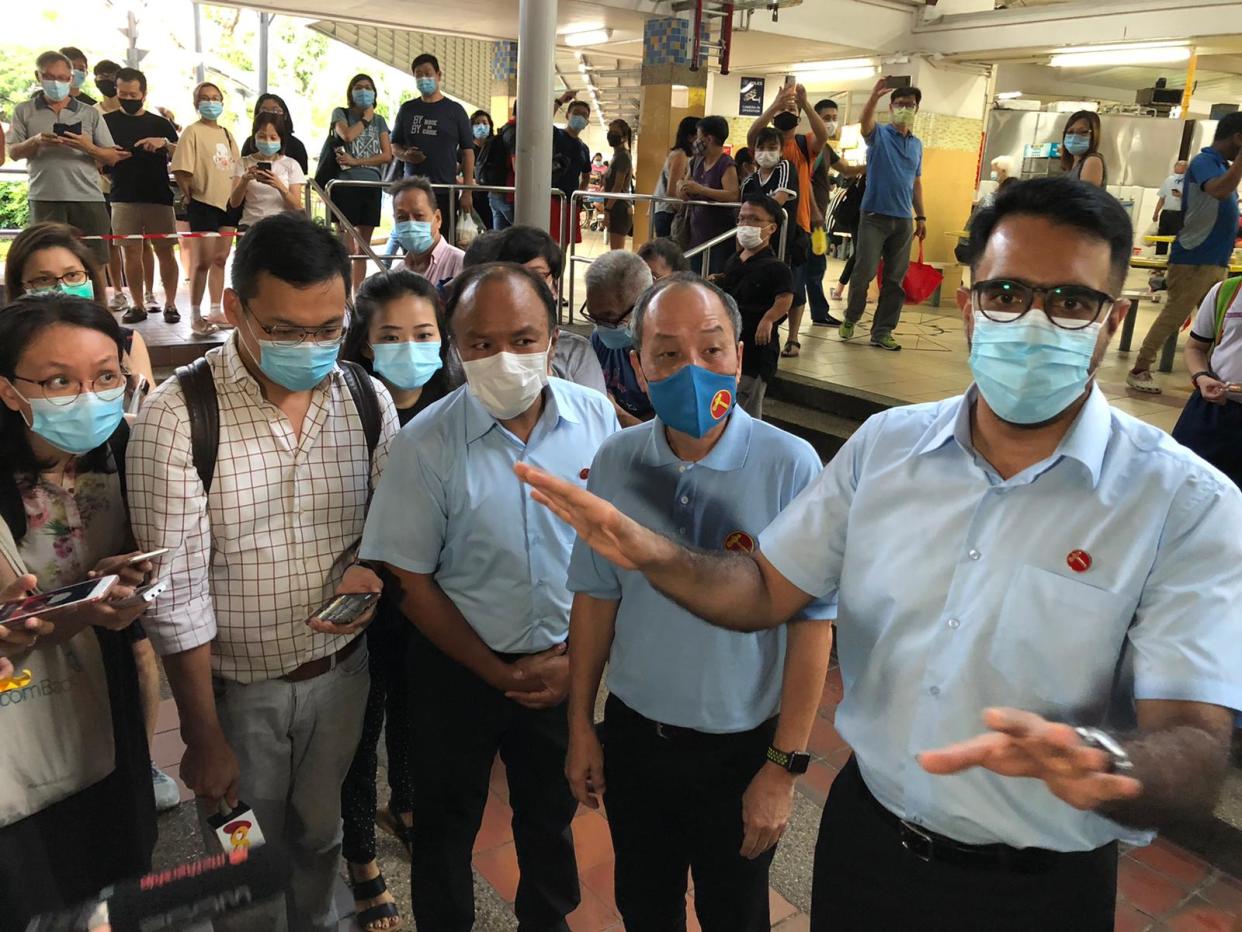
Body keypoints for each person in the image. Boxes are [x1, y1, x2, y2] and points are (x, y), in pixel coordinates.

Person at [518, 177, 1242, 931]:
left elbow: (1194, 736)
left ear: (1111, 320)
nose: (1033, 322)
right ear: (968, 307)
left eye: (1070, 302)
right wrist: (653, 554)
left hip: (1039, 883)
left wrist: (1116, 766)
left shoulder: (1186, 503)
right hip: (870, 846)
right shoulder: (886, 451)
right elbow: (766, 589)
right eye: (1007, 294)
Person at [126, 214, 399, 932]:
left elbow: (391, 531)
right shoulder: (179, 417)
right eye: (284, 329)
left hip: (341, 679)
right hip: (237, 696)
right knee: (241, 854)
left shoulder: (365, 402)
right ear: (235, 308)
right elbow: (175, 596)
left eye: (328, 328)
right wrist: (203, 734)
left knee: (318, 835)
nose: (310, 347)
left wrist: (373, 570)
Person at [564, 273, 833, 930]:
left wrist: (782, 770)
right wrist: (580, 726)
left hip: (739, 751)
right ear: (638, 366)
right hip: (635, 738)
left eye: (712, 349)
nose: (693, 370)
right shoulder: (617, 462)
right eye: (668, 353)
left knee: (733, 912)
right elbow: (595, 602)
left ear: (738, 353)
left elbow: (811, 626)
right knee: (644, 904)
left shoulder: (790, 465)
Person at [359, 262, 618, 931]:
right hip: (457, 670)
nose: (505, 359)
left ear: (554, 337)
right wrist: (496, 671)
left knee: (550, 816)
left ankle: (547, 921)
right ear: (455, 346)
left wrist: (575, 661)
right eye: (480, 343)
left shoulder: (596, 421)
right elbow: (410, 581)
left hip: (566, 665)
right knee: (445, 822)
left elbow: (616, 554)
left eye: (525, 339)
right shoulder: (425, 444)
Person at [0, 295, 158, 932]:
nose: (87, 397)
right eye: (59, 380)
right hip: (15, 711)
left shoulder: (124, 448)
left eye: (106, 376)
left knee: (107, 853)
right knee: (28, 879)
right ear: (10, 391)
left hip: (100, 682)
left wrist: (133, 576)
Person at [338, 269, 450, 932]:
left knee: (416, 706)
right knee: (364, 723)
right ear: (365, 343)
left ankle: (404, 804)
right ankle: (359, 857)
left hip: (430, 598)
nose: (409, 348)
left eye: (424, 333)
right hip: (366, 597)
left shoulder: (458, 403)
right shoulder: (349, 410)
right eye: (391, 335)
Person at [1128, 113, 1242, 393]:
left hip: (1214, 259)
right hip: (1194, 258)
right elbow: (1218, 190)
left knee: (1218, 321)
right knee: (1174, 314)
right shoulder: (1205, 162)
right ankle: (1140, 368)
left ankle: (1212, 373)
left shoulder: (1220, 166)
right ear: (1238, 138)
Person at [7, 51, 125, 271]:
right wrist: (36, 141)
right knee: (48, 262)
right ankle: (55, 304)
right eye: (50, 76)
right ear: (38, 76)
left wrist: (86, 146)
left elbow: (111, 157)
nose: (56, 83)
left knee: (95, 262)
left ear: (70, 78)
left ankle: (98, 304)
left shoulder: (89, 112)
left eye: (62, 78)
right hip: (45, 197)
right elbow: (12, 152)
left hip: (88, 197)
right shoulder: (24, 110)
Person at [462, 224, 608, 397]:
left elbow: (592, 415)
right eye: (514, 276)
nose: (524, 286)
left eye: (537, 275)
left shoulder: (575, 352)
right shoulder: (474, 346)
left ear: (555, 287)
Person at [4, 222, 155, 390]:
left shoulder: (127, 341)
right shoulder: (8, 349)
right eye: (44, 280)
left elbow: (150, 408)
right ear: (19, 288)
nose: (62, 288)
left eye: (72, 275)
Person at [840, 80, 927, 353]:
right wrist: (873, 98)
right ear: (891, 108)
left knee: (894, 280)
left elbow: (916, 182)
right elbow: (864, 123)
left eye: (910, 105)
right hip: (874, 216)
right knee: (863, 272)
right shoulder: (879, 135)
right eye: (900, 105)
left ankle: (883, 331)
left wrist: (921, 217)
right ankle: (851, 317)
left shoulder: (917, 145)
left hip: (903, 220)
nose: (904, 109)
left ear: (916, 109)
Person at [747, 83, 832, 347]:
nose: (787, 112)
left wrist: (804, 104)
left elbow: (822, 136)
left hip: (798, 224)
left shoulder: (803, 145)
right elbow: (753, 135)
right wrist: (776, 104)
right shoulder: (763, 146)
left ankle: (793, 338)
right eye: (784, 109)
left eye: (790, 111)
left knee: (795, 284)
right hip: (764, 228)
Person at [103, 67, 182, 325]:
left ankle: (170, 303)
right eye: (122, 93)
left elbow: (182, 155)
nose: (127, 98)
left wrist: (163, 143)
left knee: (165, 252)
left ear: (144, 94)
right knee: (131, 253)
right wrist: (109, 157)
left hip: (158, 196)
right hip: (122, 196)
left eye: (133, 94)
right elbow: (97, 158)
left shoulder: (160, 123)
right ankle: (137, 304)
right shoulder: (106, 122)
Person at [171, 81, 240, 335]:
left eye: (216, 97)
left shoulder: (226, 133)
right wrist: (191, 195)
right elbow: (181, 168)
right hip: (204, 203)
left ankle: (215, 309)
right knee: (203, 261)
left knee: (221, 258)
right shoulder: (192, 131)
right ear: (196, 103)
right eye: (205, 98)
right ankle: (195, 314)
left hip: (229, 202)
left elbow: (236, 167)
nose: (211, 102)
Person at [719, 194, 795, 419]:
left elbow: (785, 298)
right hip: (730, 346)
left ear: (771, 228)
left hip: (756, 352)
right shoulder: (735, 260)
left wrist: (769, 318)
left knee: (747, 412)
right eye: (741, 219)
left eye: (754, 220)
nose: (745, 225)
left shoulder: (777, 268)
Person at [1172, 275, 1242, 487]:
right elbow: (1195, 347)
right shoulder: (1227, 292)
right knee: (1186, 482)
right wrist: (1201, 376)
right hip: (1215, 411)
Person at [391, 53, 474, 221]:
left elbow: (468, 153)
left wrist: (467, 191)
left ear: (439, 75)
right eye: (418, 75)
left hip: (444, 190)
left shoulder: (455, 111)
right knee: (411, 238)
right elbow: (394, 146)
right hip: (412, 190)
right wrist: (406, 155)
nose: (424, 79)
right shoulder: (407, 109)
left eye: (428, 74)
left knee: (442, 240)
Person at [330, 74, 392, 289]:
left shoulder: (380, 120)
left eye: (368, 87)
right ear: (351, 92)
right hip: (346, 185)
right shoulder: (341, 113)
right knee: (346, 247)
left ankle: (358, 296)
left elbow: (387, 155)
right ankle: (343, 295)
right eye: (359, 87)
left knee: (363, 248)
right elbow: (347, 136)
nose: (364, 91)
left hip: (371, 186)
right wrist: (365, 119)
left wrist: (357, 161)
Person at [804, 97, 860, 331]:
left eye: (835, 118)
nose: (831, 122)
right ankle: (818, 312)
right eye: (826, 118)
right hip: (808, 218)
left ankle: (819, 311)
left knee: (815, 267)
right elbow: (803, 180)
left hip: (817, 218)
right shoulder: (809, 145)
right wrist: (815, 213)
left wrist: (873, 166)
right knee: (813, 267)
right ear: (814, 119)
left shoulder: (826, 149)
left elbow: (845, 169)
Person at [584, 249, 654, 426]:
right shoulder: (599, 340)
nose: (601, 327)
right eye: (594, 317)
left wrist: (618, 414)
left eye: (609, 318)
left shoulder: (669, 355)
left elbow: (669, 443)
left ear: (643, 304)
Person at [91, 57, 136, 316]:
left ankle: (137, 291)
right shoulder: (93, 112)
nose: (105, 80)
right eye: (101, 76)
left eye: (111, 75)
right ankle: (116, 290)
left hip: (128, 186)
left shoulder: (132, 114)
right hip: (99, 187)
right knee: (108, 242)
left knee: (131, 244)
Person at [682, 116, 739, 276]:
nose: (695, 141)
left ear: (709, 138)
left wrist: (701, 189)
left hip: (718, 240)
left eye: (698, 136)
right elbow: (687, 186)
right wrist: (684, 188)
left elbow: (732, 195)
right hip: (696, 237)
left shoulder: (726, 164)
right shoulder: (697, 162)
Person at [229, 112, 305, 232]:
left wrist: (279, 186)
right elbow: (234, 202)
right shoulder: (243, 163)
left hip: (282, 228)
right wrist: (244, 180)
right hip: (250, 227)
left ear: (281, 139)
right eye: (261, 136)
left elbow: (297, 207)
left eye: (273, 137)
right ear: (254, 137)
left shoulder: (291, 165)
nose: (267, 141)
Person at [391, 176, 465, 289]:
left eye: (419, 216)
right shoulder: (397, 275)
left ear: (438, 219)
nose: (411, 223)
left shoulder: (460, 265)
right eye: (402, 217)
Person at [741, 126, 799, 266]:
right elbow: (741, 211)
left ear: (781, 151)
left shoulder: (785, 168)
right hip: (753, 243)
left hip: (781, 243)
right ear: (754, 152)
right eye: (760, 148)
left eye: (772, 148)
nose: (766, 152)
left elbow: (778, 200)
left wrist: (755, 213)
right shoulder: (749, 181)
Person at [551, 96, 593, 247]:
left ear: (587, 122)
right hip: (552, 199)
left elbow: (586, 175)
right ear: (567, 115)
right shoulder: (556, 136)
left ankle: (560, 271)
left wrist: (580, 194)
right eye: (576, 112)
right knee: (549, 242)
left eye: (584, 115)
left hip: (570, 202)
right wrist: (560, 100)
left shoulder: (584, 148)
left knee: (564, 244)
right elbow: (542, 119)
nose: (580, 117)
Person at [652, 115, 699, 238]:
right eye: (699, 134)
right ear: (690, 137)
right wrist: (683, 214)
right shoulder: (680, 156)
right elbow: (672, 191)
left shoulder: (687, 157)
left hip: (668, 212)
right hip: (668, 213)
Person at [240, 94, 309, 173]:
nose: (270, 115)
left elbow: (301, 179)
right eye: (264, 111)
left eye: (276, 110)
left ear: (285, 115)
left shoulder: (296, 145)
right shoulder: (250, 143)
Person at [603, 118, 634, 250]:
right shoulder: (617, 156)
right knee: (615, 251)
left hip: (618, 209)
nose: (611, 135)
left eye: (615, 132)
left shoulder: (623, 156)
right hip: (615, 207)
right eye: (610, 132)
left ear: (624, 137)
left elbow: (618, 186)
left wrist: (607, 210)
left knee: (616, 253)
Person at [1061, 110, 1107, 188]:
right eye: (1070, 132)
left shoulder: (1092, 161)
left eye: (1083, 132)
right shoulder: (1073, 163)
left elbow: (1086, 197)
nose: (1075, 137)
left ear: (1093, 135)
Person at [1153, 159, 1187, 257]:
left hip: (1179, 214)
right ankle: (1158, 263)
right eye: (1178, 165)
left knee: (1175, 239)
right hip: (1166, 212)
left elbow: (1192, 199)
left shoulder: (1188, 182)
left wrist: (1181, 195)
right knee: (1161, 238)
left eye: (1183, 165)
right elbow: (1162, 198)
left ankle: (1173, 261)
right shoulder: (1168, 180)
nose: (1180, 167)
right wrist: (1156, 213)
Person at [468, 109, 495, 232]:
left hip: (492, 198)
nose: (481, 126)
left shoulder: (495, 146)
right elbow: (454, 172)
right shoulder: (466, 149)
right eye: (477, 123)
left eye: (485, 123)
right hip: (474, 198)